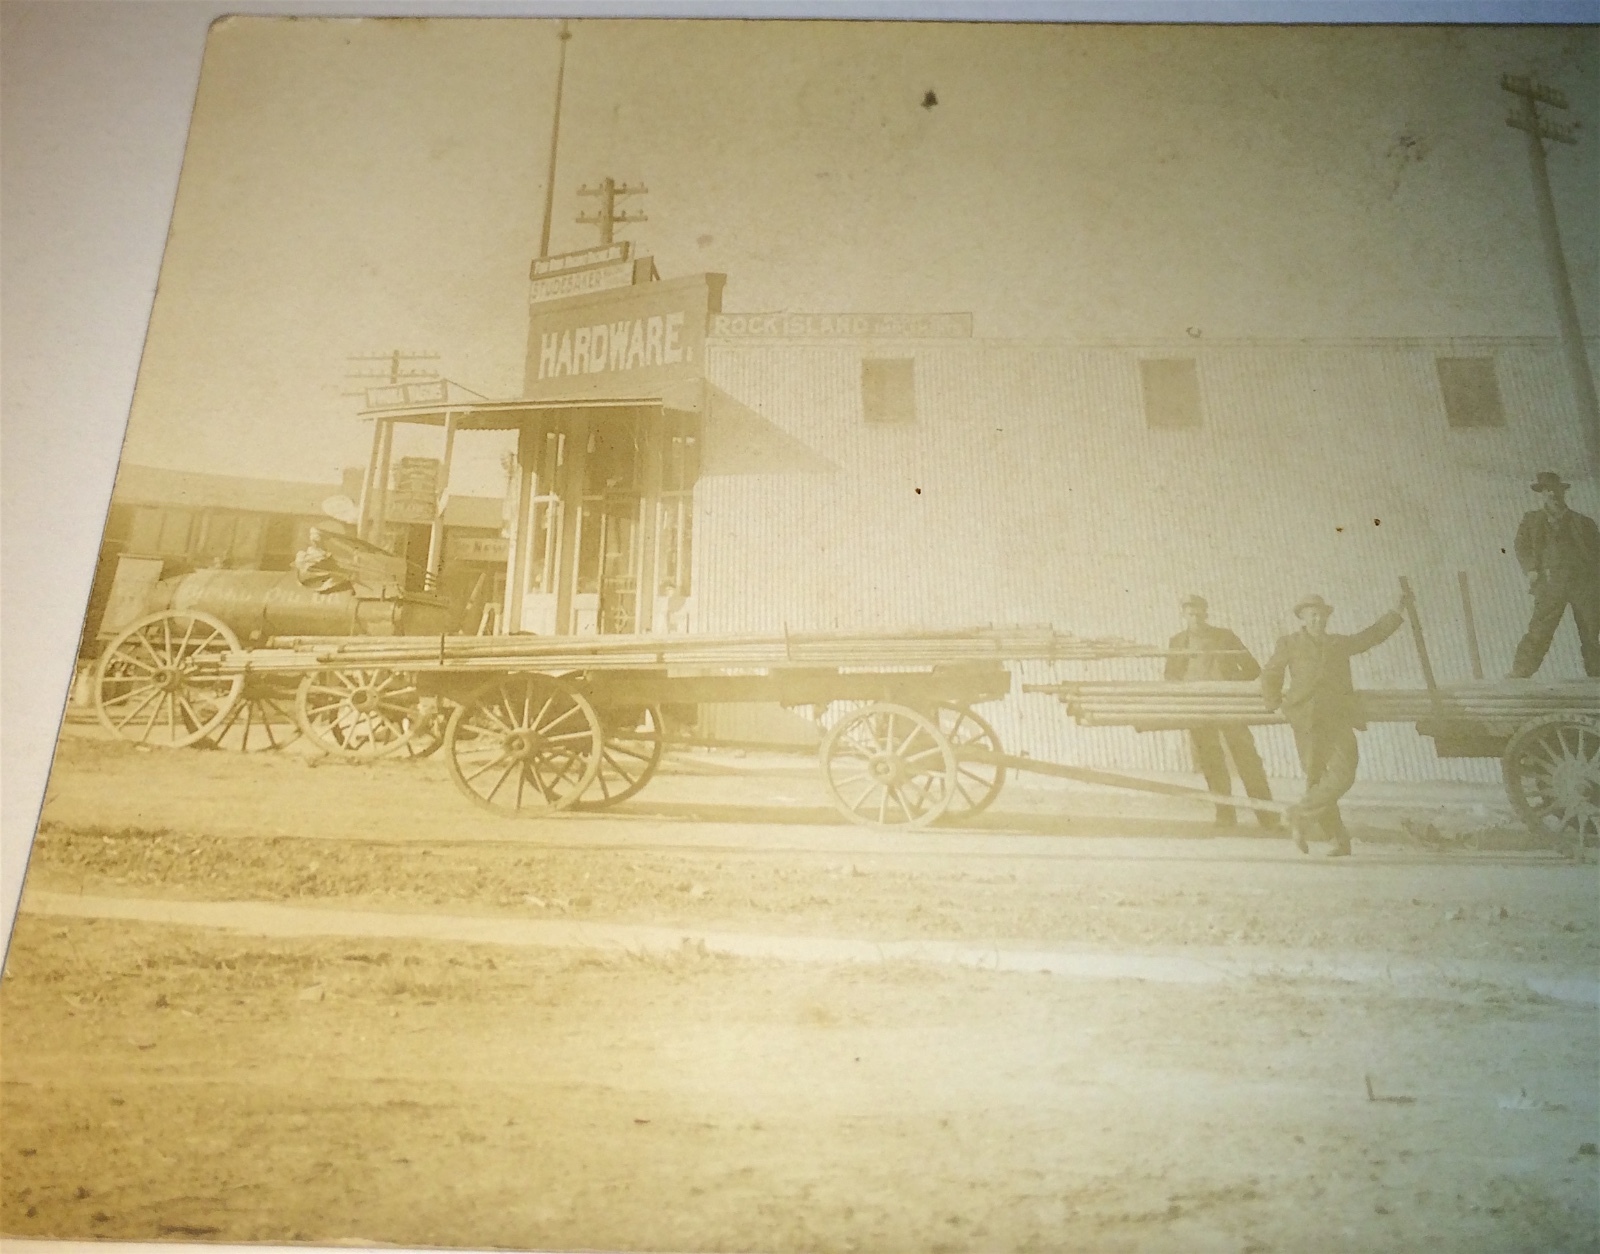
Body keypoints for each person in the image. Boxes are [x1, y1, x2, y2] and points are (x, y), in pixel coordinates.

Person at [1260, 592, 1406, 857]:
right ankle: (1339, 840)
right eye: (1312, 614)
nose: (1317, 619)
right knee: (1317, 781)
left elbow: (1369, 637)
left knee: (1343, 774)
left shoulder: (1338, 643)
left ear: (1327, 617)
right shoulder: (1289, 643)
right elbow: (1271, 672)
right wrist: (1274, 703)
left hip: (1338, 717)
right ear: (1302, 618)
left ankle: (1299, 815)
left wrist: (1395, 614)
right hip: (1306, 719)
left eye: (1321, 614)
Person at [1164, 594, 1278, 830]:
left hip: (1229, 706)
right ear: (1183, 615)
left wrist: (1230, 685)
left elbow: (1252, 668)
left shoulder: (1225, 636)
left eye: (1199, 613)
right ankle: (1225, 815)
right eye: (1190, 614)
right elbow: (1170, 676)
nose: (1195, 618)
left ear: (1206, 613)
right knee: (1212, 762)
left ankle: (1268, 818)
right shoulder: (1177, 642)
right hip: (1198, 708)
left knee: (1247, 760)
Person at [1509, 471, 1600, 679]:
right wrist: (1531, 568)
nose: (1552, 493)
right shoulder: (1531, 520)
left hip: (1582, 584)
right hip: (1550, 584)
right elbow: (1521, 546)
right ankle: (1520, 672)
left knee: (1591, 632)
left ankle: (1597, 676)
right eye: (1547, 490)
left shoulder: (1583, 522)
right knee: (1539, 631)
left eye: (1555, 489)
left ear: (1562, 491)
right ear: (1542, 493)